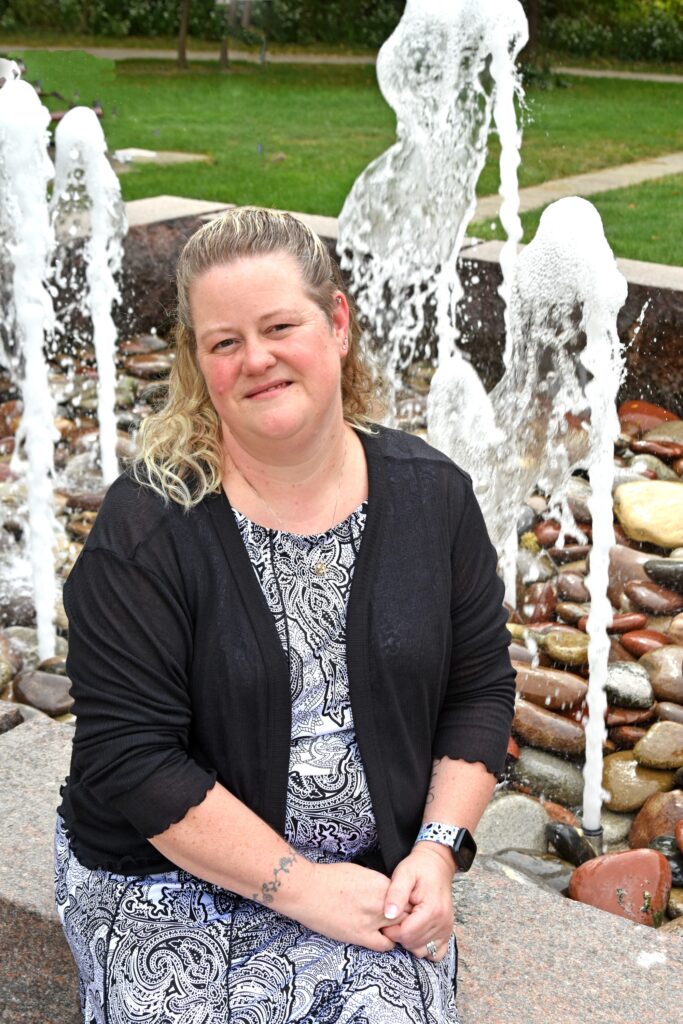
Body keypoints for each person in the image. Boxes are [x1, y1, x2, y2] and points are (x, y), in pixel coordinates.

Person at [54, 206, 515, 1024]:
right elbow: (133, 759)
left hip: (373, 880)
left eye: (278, 326)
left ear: (335, 322)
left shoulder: (432, 497)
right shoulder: (148, 528)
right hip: (164, 881)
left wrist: (437, 852)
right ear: (199, 362)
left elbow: (478, 692)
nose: (255, 359)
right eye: (224, 342)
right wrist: (302, 889)